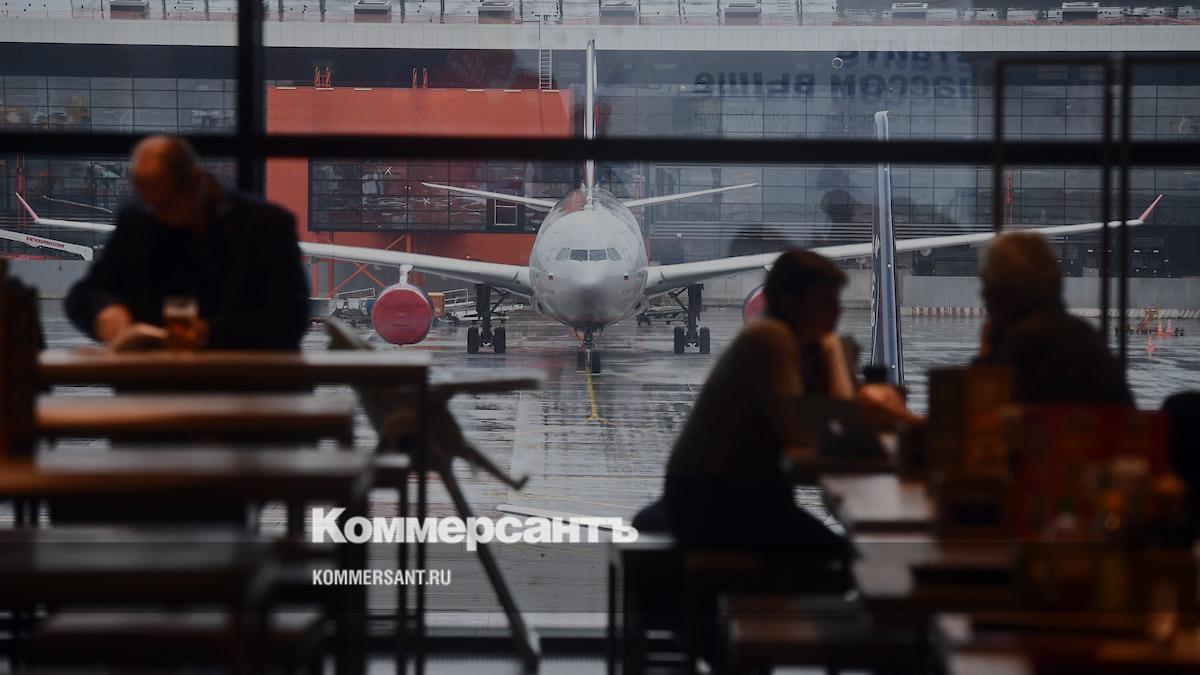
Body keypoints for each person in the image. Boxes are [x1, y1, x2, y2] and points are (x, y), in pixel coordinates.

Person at [634, 249, 854, 555]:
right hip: (714, 501)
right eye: (827, 303)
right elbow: (798, 433)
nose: (837, 313)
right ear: (792, 302)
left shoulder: (783, 341)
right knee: (845, 559)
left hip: (723, 493)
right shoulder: (770, 339)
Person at [65, 135, 310, 350]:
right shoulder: (139, 221)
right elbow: (84, 294)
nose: (158, 215)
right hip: (160, 378)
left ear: (196, 181)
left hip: (245, 379)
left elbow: (291, 318)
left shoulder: (268, 225)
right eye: (148, 204)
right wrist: (104, 313)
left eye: (164, 205)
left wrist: (210, 334)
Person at [976, 231, 1131, 405]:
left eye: (986, 287)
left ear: (1001, 292)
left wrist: (985, 358)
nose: (983, 296)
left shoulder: (1019, 347)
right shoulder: (1087, 336)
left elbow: (981, 412)